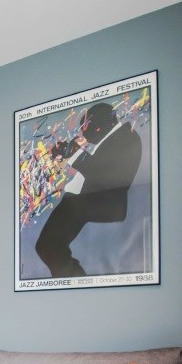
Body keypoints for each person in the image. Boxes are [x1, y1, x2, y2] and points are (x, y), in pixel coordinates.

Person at [35, 102, 142, 277]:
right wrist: (70, 154)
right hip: (83, 201)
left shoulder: (126, 137)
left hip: (100, 204)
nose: (83, 133)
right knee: (48, 246)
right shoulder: (116, 137)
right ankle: (73, 281)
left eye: (86, 127)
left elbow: (101, 171)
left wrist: (73, 153)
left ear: (99, 124)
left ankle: (74, 282)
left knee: (49, 246)